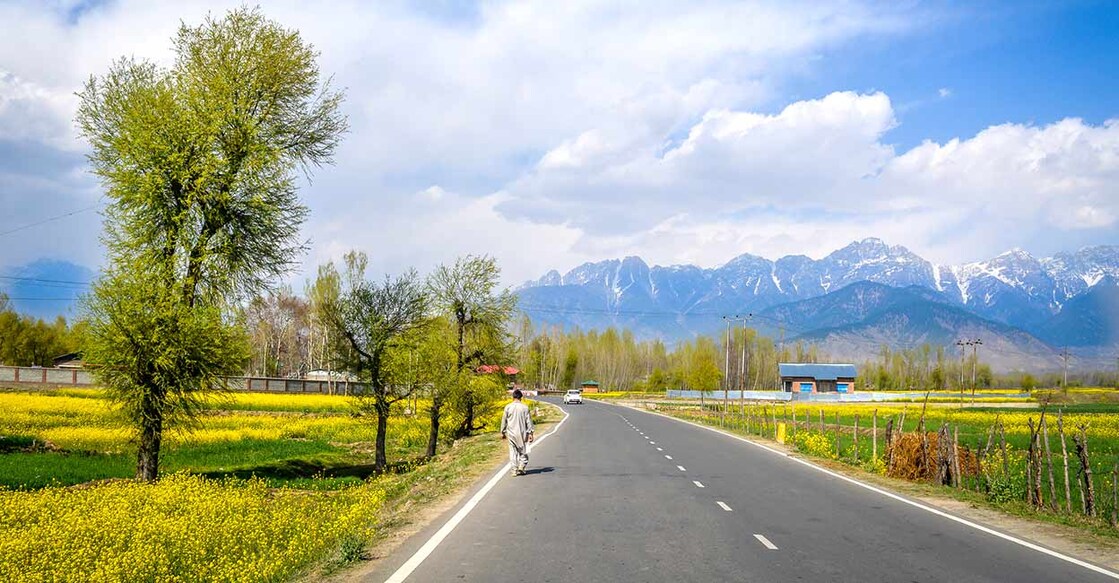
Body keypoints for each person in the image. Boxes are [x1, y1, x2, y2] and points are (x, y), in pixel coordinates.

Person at [501, 389, 535, 476]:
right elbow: (529, 422)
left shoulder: (508, 407)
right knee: (523, 451)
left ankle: (514, 470)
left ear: (513, 397)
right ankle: (521, 467)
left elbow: (504, 420)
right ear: (521, 397)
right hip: (522, 433)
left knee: (513, 452)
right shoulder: (525, 407)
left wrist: (503, 432)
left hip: (511, 433)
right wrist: (530, 433)